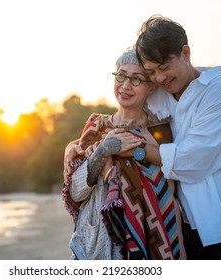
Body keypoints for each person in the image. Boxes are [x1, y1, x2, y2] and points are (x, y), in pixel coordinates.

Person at [65, 15, 221, 260]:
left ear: (186, 53)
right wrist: (75, 145)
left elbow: (192, 160)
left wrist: (138, 149)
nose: (159, 78)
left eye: (164, 67)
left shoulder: (218, 92)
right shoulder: (164, 93)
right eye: (152, 71)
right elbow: (128, 105)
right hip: (189, 228)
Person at [62, 48, 186, 260]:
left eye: (136, 79)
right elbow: (75, 192)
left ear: (151, 87)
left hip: (145, 245)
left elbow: (168, 199)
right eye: (121, 76)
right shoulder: (95, 128)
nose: (126, 85)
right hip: (95, 246)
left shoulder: (161, 134)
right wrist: (103, 151)